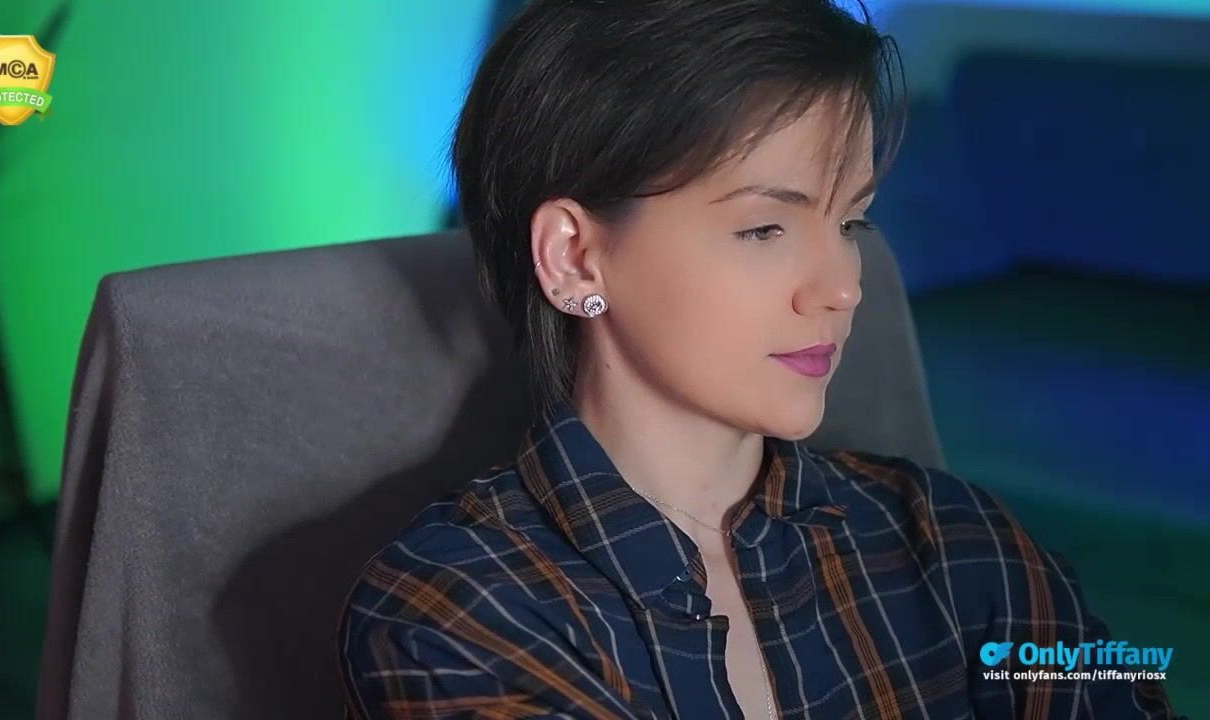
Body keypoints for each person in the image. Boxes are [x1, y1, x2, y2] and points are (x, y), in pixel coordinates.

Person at [337, 0, 1183, 717]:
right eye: (764, 228)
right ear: (574, 258)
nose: (843, 287)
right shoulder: (458, 612)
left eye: (851, 222)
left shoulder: (955, 540)